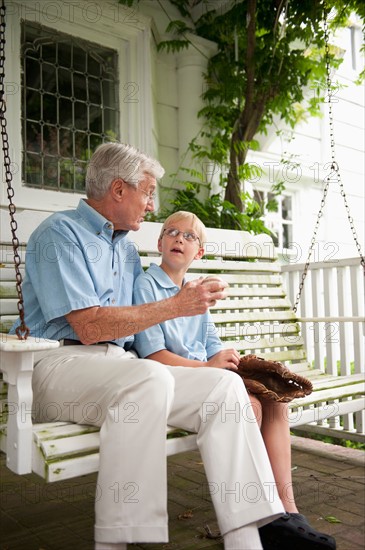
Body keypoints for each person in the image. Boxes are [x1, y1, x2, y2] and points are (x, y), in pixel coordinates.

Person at [10, 142, 287, 550]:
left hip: (118, 368)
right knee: (148, 377)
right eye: (148, 192)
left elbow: (131, 332)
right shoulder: (60, 234)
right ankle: (121, 541)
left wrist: (195, 326)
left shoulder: (122, 247)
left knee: (225, 389)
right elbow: (87, 327)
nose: (152, 205)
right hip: (55, 365)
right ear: (119, 190)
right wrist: (176, 306)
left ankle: (245, 540)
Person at [132, 210, 337, 550]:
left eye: (189, 236)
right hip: (173, 380)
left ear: (199, 252)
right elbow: (153, 354)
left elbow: (212, 342)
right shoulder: (146, 286)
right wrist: (211, 366)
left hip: (207, 377)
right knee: (250, 408)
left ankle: (287, 511)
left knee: (272, 398)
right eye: (171, 232)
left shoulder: (197, 292)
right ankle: (257, 517)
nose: (179, 238)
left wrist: (230, 359)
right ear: (159, 242)